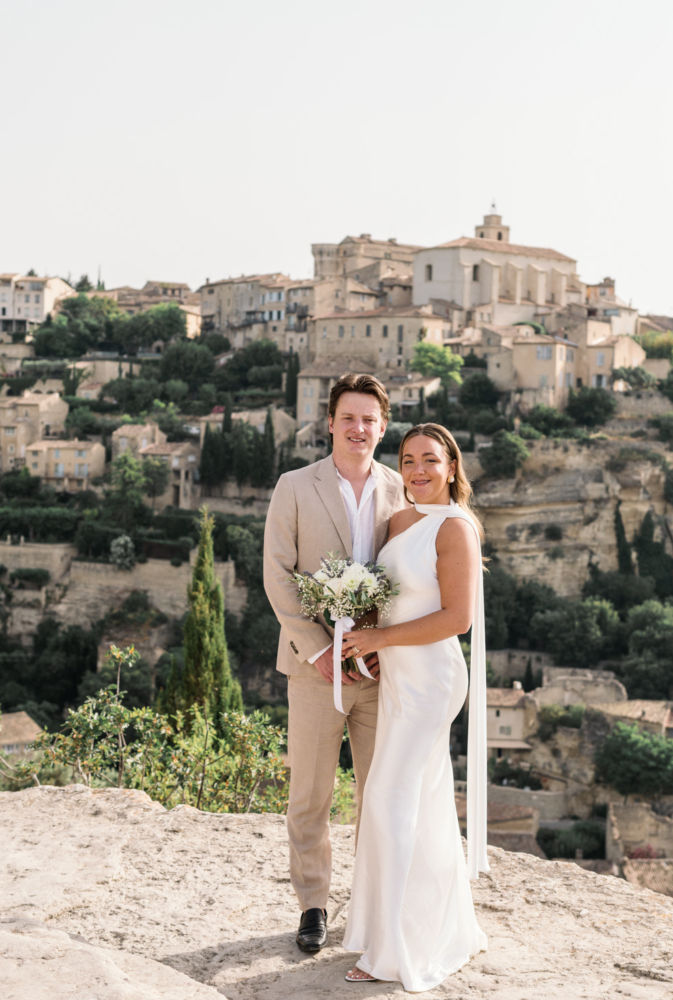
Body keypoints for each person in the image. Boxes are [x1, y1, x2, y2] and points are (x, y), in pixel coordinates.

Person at [338, 422, 488, 991]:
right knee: (419, 804)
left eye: (430, 459)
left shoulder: (456, 529)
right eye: (407, 460)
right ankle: (434, 927)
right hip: (398, 674)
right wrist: (368, 637)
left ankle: (395, 952)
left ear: (451, 465)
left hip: (432, 678)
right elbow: (389, 600)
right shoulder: (400, 521)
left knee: (384, 797)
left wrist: (379, 642)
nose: (417, 470)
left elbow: (457, 618)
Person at [263, 372, 408, 954]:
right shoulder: (294, 486)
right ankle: (313, 906)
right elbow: (277, 574)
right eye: (348, 417)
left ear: (383, 425)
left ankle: (372, 906)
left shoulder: (404, 490)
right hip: (311, 668)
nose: (359, 428)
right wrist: (319, 650)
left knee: (380, 795)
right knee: (310, 796)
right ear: (329, 422)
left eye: (369, 419)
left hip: (379, 670)